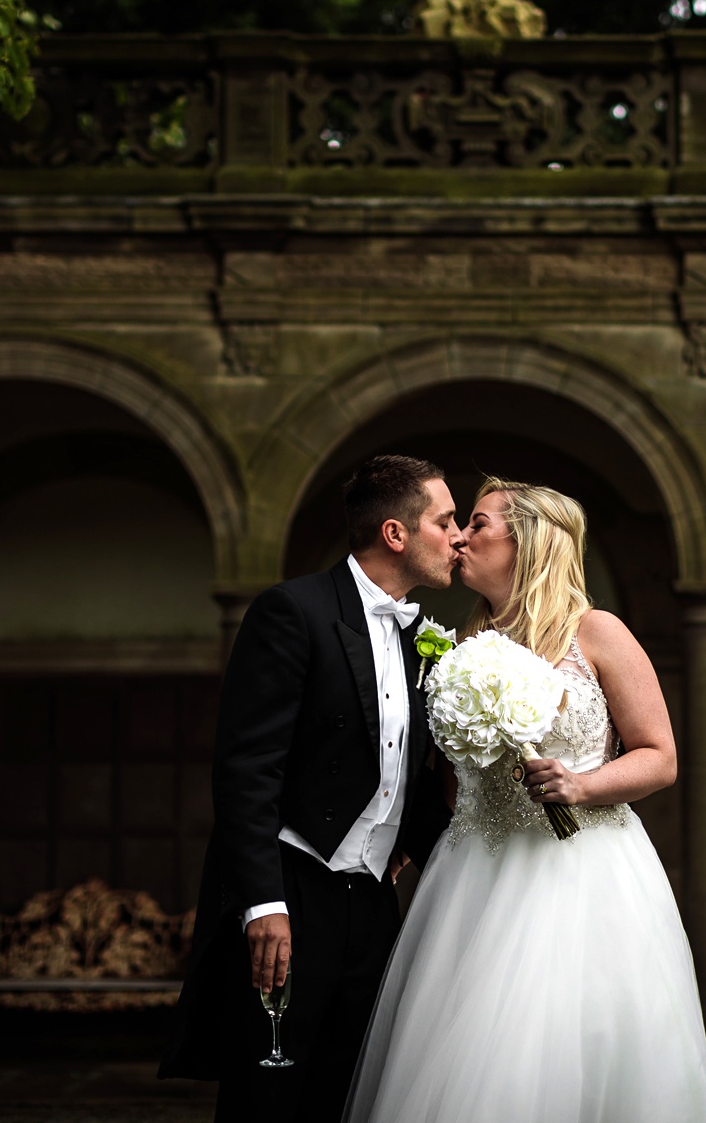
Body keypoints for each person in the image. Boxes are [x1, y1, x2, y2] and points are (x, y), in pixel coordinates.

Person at [343, 477, 706, 1122]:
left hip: (583, 876)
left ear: (530, 542)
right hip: (472, 874)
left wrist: (581, 785)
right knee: (467, 1056)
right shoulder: (460, 647)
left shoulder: (597, 633)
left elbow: (660, 756)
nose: (460, 537)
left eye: (479, 524)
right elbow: (444, 777)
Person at [161, 455, 461, 1122]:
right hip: (294, 891)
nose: (457, 537)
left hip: (374, 902)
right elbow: (247, 769)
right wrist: (263, 904)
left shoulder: (422, 639)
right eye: (444, 522)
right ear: (395, 533)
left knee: (348, 1093)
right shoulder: (292, 611)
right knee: (267, 1095)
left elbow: (400, 771)